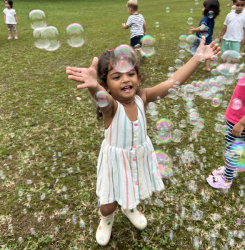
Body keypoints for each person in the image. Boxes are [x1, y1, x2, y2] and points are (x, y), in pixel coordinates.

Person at [66, 39, 220, 246]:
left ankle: (129, 207)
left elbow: (172, 82)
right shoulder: (110, 107)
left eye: (130, 74)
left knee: (133, 190)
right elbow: (100, 98)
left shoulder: (143, 97)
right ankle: (106, 220)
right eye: (116, 76)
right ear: (106, 86)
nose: (125, 79)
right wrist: (93, 87)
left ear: (138, 77)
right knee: (108, 203)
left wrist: (198, 58)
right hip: (115, 162)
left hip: (138, 157)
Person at [207, 75, 245, 189]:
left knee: (232, 152)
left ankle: (226, 180)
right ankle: (229, 170)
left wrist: (242, 123)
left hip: (239, 122)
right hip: (235, 119)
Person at [189, 0, 220, 72]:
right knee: (207, 53)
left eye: (204, 7)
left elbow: (202, 27)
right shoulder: (212, 19)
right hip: (208, 38)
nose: (202, 9)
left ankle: (191, 66)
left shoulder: (205, 18)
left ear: (208, 10)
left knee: (194, 49)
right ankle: (207, 67)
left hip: (200, 38)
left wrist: (195, 30)